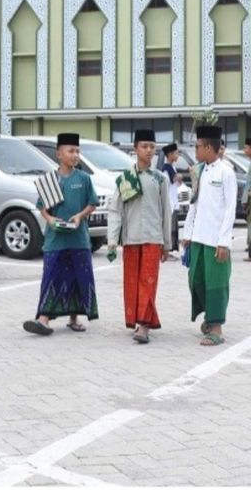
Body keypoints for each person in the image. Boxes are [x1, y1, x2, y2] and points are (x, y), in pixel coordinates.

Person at [23, 133, 100, 336]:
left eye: (77, 151)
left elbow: (92, 204)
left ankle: (74, 319)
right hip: (55, 240)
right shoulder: (50, 180)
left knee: (77, 277)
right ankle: (43, 319)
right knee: (52, 277)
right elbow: (42, 208)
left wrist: (80, 216)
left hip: (79, 239)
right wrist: (50, 220)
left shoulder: (84, 179)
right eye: (71, 151)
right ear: (59, 154)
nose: (75, 155)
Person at [106, 129, 174, 344]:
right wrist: (111, 240)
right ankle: (137, 320)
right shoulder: (126, 178)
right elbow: (115, 210)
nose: (149, 151)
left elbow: (166, 212)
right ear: (135, 149)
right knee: (133, 283)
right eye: (144, 146)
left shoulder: (160, 179)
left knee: (148, 282)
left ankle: (144, 325)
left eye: (152, 147)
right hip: (131, 239)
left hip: (153, 239)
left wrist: (166, 244)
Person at [181, 125, 237, 346]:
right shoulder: (199, 171)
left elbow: (230, 208)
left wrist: (223, 241)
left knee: (216, 284)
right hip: (198, 238)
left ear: (208, 147)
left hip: (216, 241)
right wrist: (187, 233)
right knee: (196, 280)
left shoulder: (226, 172)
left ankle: (216, 328)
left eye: (197, 146)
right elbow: (193, 204)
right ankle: (208, 317)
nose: (195, 150)